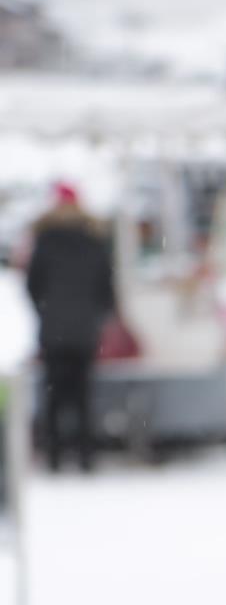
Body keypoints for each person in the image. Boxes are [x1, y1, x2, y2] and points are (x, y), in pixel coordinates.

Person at [25, 181, 115, 473]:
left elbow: (32, 285)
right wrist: (96, 315)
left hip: (53, 329)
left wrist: (46, 312)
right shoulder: (93, 239)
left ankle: (54, 456)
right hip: (85, 330)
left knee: (54, 394)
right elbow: (106, 287)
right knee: (84, 394)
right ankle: (86, 455)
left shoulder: (45, 239)